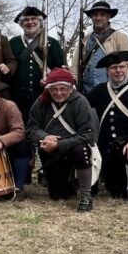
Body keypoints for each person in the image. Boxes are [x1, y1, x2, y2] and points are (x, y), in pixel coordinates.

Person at [26, 67, 98, 212]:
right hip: (51, 153)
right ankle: (70, 184)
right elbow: (31, 128)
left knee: (81, 149)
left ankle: (85, 195)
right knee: (58, 195)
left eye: (63, 88)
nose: (59, 93)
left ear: (70, 88)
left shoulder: (81, 102)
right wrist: (44, 136)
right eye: (54, 89)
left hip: (75, 150)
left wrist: (59, 144)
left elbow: (89, 134)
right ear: (49, 89)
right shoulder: (41, 102)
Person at [86, 52, 128, 204]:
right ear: (107, 71)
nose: (118, 71)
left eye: (122, 66)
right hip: (108, 147)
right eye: (114, 67)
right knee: (115, 191)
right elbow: (81, 103)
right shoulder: (100, 90)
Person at [10, 6, 65, 122]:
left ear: (39, 22)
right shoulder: (13, 42)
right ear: (21, 23)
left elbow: (60, 69)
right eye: (26, 20)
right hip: (18, 97)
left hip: (44, 95)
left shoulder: (52, 43)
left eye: (33, 19)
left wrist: (49, 81)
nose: (30, 22)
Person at [75, 0, 128, 95]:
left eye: (102, 14)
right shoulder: (85, 39)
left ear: (108, 17)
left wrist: (126, 90)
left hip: (111, 92)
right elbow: (75, 66)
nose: (98, 18)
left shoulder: (120, 37)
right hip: (86, 91)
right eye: (95, 15)